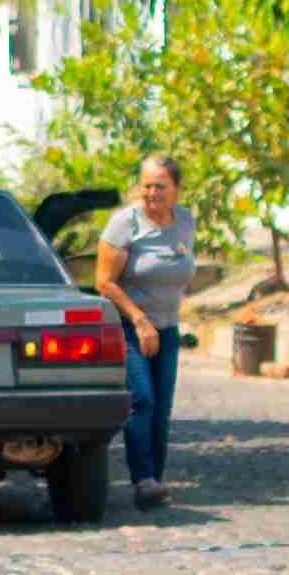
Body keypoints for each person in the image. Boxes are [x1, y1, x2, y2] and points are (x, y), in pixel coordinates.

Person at [95, 154, 199, 507]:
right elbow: (104, 282)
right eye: (147, 185)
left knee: (162, 405)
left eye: (161, 186)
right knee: (142, 399)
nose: (152, 193)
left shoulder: (185, 221)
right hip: (129, 326)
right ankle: (143, 479)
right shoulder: (125, 224)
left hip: (167, 328)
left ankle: (156, 477)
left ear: (177, 189)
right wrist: (139, 320)